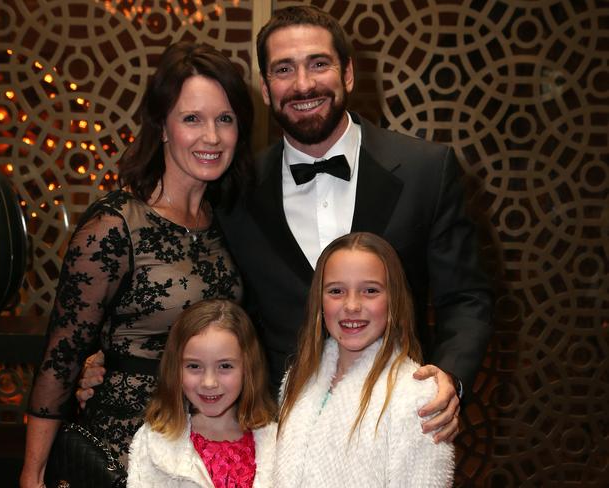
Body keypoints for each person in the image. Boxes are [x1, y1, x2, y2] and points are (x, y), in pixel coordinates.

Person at [215, 5, 493, 442]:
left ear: (347, 74)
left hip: (400, 424)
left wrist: (450, 379)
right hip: (277, 433)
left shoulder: (426, 171)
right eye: (284, 69)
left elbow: (467, 297)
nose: (303, 84)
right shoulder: (234, 191)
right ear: (266, 90)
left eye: (318, 64)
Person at [20, 42, 254, 487]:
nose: (212, 136)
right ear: (162, 127)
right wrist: (33, 473)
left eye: (225, 119)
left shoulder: (229, 221)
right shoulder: (114, 225)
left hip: (210, 455)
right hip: (123, 454)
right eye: (192, 119)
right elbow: (61, 360)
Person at [275, 232, 454, 487]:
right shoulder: (298, 378)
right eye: (336, 291)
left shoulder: (416, 395)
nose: (351, 305)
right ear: (319, 301)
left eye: (370, 290)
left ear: (393, 298)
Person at [127, 299, 277, 487]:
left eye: (225, 366)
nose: (209, 382)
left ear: (249, 367)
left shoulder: (276, 443)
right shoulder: (154, 442)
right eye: (194, 366)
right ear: (175, 369)